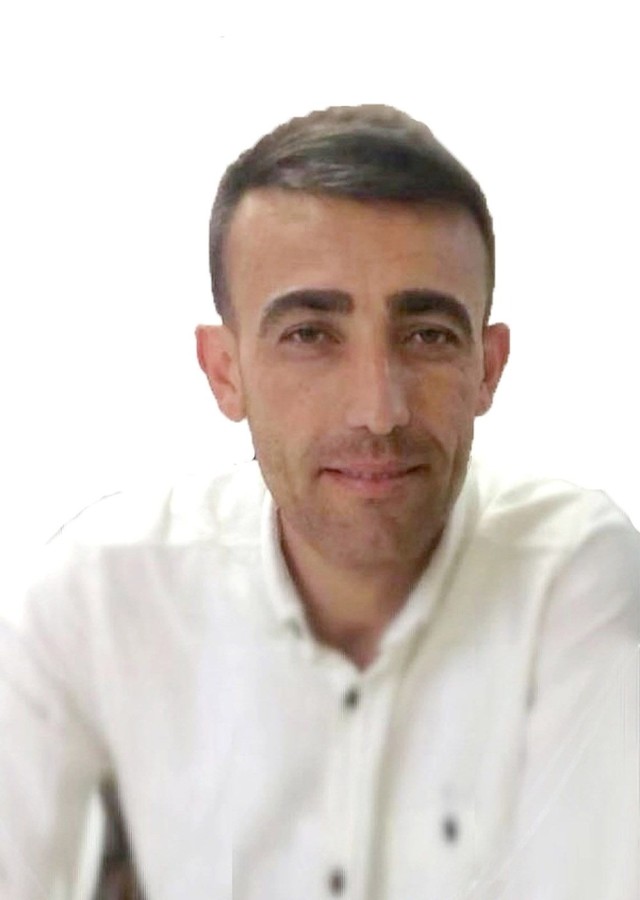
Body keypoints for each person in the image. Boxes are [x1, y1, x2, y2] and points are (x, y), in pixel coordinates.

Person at [1, 104, 638, 900]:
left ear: (488, 366)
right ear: (224, 371)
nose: (378, 410)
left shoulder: (574, 577)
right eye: (309, 334)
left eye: (428, 335)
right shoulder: (99, 596)